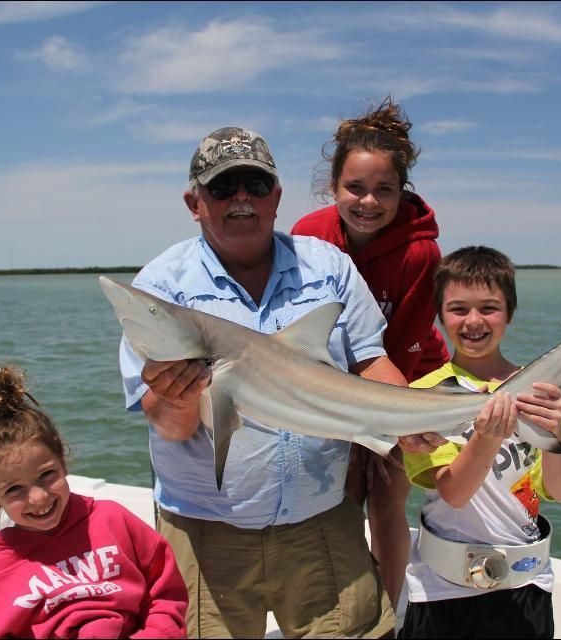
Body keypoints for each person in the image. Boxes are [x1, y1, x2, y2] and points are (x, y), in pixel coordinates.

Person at [116, 126, 444, 638]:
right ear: (194, 202)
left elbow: (370, 361)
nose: (241, 198)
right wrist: (177, 398)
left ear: (276, 197)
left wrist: (412, 418)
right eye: (223, 187)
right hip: (207, 531)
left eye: (254, 184)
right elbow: (171, 427)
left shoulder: (328, 267)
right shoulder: (162, 288)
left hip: (322, 519)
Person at [291, 96, 449, 609]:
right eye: (354, 188)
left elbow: (403, 346)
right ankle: (327, 602)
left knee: (385, 497)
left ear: (403, 192)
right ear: (332, 187)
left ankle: (387, 611)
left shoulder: (419, 251)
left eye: (385, 190)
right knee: (326, 498)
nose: (368, 202)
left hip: (406, 377)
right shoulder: (307, 236)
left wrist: (375, 432)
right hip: (333, 380)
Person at [400, 246, 561, 639]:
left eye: (489, 307)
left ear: (510, 313)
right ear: (439, 316)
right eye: (458, 309)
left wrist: (552, 432)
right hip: (441, 590)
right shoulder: (424, 395)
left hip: (526, 586)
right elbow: (454, 492)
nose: (473, 321)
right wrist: (486, 438)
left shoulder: (538, 394)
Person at [0, 364, 189, 639]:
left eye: (47, 475)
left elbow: (165, 594)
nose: (39, 497)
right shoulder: (1, 566)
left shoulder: (113, 520)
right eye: (14, 490)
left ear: (63, 463)